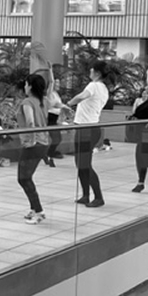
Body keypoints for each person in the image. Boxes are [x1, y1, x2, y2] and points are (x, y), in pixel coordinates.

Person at [63, 60, 110, 208]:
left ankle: (98, 197)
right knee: (81, 164)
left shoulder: (94, 85)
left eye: (91, 70)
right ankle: (85, 195)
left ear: (97, 73)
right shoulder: (104, 88)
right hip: (89, 128)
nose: (89, 72)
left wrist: (68, 104)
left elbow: (82, 96)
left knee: (84, 164)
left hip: (86, 129)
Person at [15, 74, 49, 224]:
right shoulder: (43, 101)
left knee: (23, 178)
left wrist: (32, 140)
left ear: (30, 86)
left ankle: (39, 211)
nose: (24, 87)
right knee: (26, 178)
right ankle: (34, 209)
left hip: (34, 144)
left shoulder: (27, 102)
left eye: (26, 84)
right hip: (43, 142)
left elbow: (30, 121)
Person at [44, 69, 64, 166]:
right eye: (57, 83)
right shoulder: (50, 93)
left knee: (58, 139)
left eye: (59, 83)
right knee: (56, 139)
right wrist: (50, 69)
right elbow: (51, 81)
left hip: (55, 118)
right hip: (50, 118)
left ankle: (48, 155)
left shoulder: (56, 94)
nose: (58, 85)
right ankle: (49, 156)